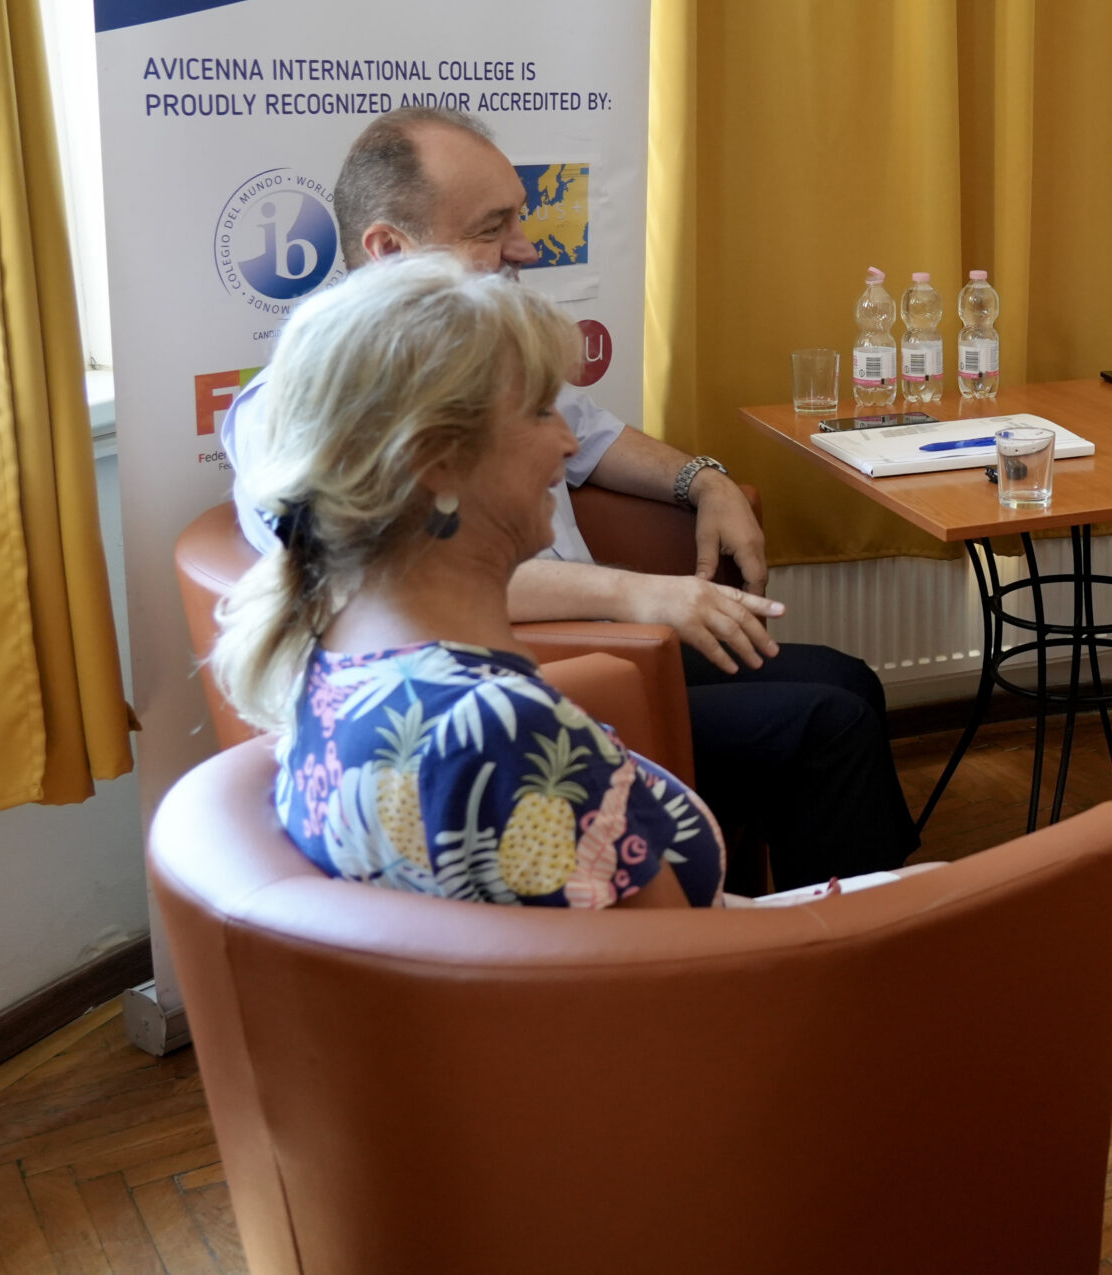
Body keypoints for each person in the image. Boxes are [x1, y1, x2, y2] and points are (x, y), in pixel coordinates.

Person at [223, 107, 918, 889]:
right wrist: (635, 593)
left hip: (585, 659)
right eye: (493, 227)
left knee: (847, 680)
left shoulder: (481, 357)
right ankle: (861, 930)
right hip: (557, 665)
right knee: (831, 726)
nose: (525, 247)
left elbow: (592, 435)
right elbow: (379, 575)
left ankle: (850, 904)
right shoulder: (303, 410)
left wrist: (707, 478)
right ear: (389, 247)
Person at [213, 253, 726, 907]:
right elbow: (671, 965)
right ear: (437, 462)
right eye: (540, 412)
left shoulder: (327, 665)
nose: (569, 442)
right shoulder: (501, 732)